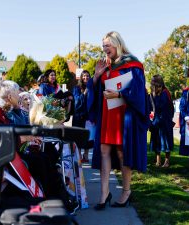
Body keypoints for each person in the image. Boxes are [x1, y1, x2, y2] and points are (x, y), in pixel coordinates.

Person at [87, 31, 148, 210]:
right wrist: (97, 77)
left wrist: (119, 94)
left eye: (108, 45)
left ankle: (126, 191)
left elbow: (138, 92)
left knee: (122, 152)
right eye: (103, 46)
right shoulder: (106, 66)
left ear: (117, 44)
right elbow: (94, 91)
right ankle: (104, 193)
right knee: (104, 150)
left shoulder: (132, 64)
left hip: (123, 114)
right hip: (107, 113)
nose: (105, 49)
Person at [149, 75, 174, 167]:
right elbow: (150, 106)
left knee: (166, 141)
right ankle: (158, 160)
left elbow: (166, 107)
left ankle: (167, 161)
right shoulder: (152, 93)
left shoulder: (165, 92)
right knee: (156, 140)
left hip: (164, 120)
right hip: (155, 120)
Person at [72, 70, 94, 162]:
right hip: (78, 116)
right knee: (78, 137)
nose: (86, 78)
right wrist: (84, 94)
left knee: (88, 137)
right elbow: (76, 102)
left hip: (88, 117)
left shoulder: (92, 87)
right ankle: (79, 156)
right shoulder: (76, 88)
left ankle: (86, 155)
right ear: (81, 77)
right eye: (84, 76)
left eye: (87, 76)